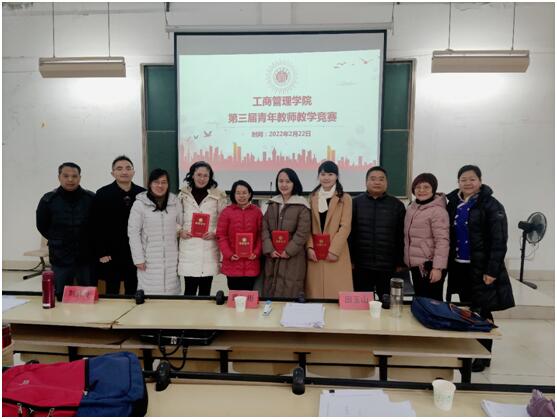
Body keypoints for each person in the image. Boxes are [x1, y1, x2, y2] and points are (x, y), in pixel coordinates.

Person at [446, 164, 515, 372]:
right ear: (458, 182)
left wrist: (492, 271)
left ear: (480, 180)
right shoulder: (454, 203)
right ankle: (470, 349)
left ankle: (484, 354)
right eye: (463, 179)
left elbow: (499, 240)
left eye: (472, 179)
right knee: (467, 310)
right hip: (460, 266)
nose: (467, 183)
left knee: (482, 310)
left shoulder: (491, 205)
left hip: (482, 268)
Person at [36, 162, 96, 300]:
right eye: (66, 176)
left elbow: (97, 225)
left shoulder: (91, 198)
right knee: (61, 296)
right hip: (60, 255)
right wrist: (58, 239)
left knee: (87, 296)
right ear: (59, 177)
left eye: (74, 176)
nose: (70, 179)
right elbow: (42, 226)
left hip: (86, 255)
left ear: (80, 178)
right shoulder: (48, 200)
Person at [349, 166, 406, 300]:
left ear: (386, 182)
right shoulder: (354, 203)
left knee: (387, 304)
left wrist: (400, 262)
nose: (377, 182)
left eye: (381, 179)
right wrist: (350, 260)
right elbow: (349, 234)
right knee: (363, 305)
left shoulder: (396, 205)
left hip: (387, 266)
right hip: (361, 265)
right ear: (366, 182)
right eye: (373, 179)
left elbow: (401, 235)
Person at [91, 156, 145, 295]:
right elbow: (96, 225)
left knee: (133, 287)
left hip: (135, 250)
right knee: (112, 289)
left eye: (128, 168)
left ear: (133, 172)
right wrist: (101, 252)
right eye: (119, 169)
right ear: (113, 173)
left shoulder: (142, 194)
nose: (124, 172)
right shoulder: (103, 193)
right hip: (111, 252)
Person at [128, 168, 182, 295]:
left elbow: (181, 225)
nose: (160, 185)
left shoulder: (175, 202)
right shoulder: (139, 204)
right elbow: (133, 233)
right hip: (148, 260)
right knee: (150, 297)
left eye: (164, 182)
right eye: (156, 182)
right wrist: (138, 258)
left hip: (172, 259)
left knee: (172, 296)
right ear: (150, 184)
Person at [178, 161, 227, 296]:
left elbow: (224, 220)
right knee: (189, 291)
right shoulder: (183, 194)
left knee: (205, 292)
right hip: (189, 248)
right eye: (199, 175)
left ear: (210, 177)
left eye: (206, 175)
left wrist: (215, 233)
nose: (202, 178)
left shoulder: (218, 195)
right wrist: (180, 231)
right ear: (192, 175)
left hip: (209, 248)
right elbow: (175, 219)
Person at [306, 161, 353, 298]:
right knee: (315, 296)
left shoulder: (345, 198)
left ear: (336, 176)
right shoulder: (312, 197)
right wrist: (309, 247)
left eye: (330, 174)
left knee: (336, 297)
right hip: (315, 254)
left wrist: (334, 250)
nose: (326, 178)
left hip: (336, 253)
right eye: (323, 174)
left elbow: (345, 226)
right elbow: (306, 226)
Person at [262, 168, 311, 298]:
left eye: (288, 181)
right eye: (281, 181)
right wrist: (270, 249)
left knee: (290, 292)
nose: (284, 185)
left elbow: (303, 232)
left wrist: (288, 251)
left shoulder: (302, 205)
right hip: (273, 256)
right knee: (271, 293)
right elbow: (264, 228)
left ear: (294, 183)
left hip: (293, 258)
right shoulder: (272, 204)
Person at [403, 173, 449, 301]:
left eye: (426, 187)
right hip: (416, 265)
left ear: (433, 189)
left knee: (432, 303)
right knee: (421, 300)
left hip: (429, 265)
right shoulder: (411, 208)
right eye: (418, 187)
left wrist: (437, 268)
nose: (421, 190)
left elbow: (442, 241)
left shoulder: (438, 211)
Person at [216, 180, 262, 292]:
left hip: (251, 263)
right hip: (232, 264)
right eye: (238, 193)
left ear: (250, 194)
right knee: (234, 297)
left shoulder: (257, 212)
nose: (241, 196)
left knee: (249, 297)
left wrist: (256, 253)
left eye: (244, 193)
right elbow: (221, 235)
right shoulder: (226, 212)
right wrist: (229, 254)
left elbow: (261, 235)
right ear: (233, 194)